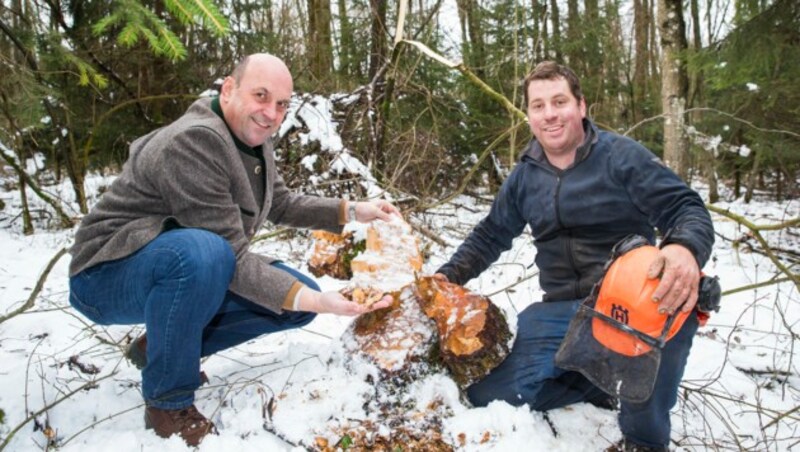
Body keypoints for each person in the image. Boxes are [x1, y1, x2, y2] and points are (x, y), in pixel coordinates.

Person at [68, 53, 398, 446]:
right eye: (261, 95)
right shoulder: (195, 141)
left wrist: (355, 211)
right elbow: (230, 256)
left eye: (281, 104)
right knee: (205, 254)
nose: (271, 113)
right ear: (228, 89)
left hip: (166, 265)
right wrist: (323, 302)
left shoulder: (252, 141)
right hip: (104, 275)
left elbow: (281, 203)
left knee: (290, 303)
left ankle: (161, 346)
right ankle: (168, 401)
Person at [435, 61, 714, 451]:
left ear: (581, 106)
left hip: (630, 308)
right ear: (529, 114)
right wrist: (444, 280)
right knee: (490, 395)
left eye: (559, 101)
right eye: (538, 105)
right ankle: (592, 378)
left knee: (642, 412)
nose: (549, 114)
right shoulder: (526, 175)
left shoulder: (621, 157)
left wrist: (683, 248)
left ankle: (642, 434)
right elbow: (490, 234)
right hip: (563, 314)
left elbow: (686, 208)